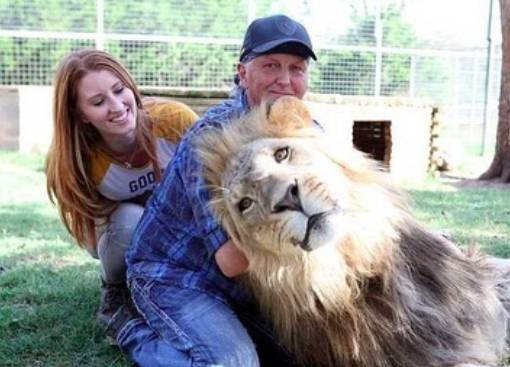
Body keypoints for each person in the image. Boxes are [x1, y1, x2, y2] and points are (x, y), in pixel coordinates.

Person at [123, 14, 317, 366]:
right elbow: (231, 261)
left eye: (297, 68)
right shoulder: (212, 139)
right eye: (271, 65)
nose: (285, 80)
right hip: (176, 276)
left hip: (249, 288)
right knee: (235, 363)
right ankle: (133, 333)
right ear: (243, 74)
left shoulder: (312, 132)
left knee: (316, 353)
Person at [45, 49, 198, 342]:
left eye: (119, 90)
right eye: (98, 102)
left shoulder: (174, 120)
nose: (116, 106)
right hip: (122, 227)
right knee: (130, 219)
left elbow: (213, 186)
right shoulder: (75, 158)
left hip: (181, 221)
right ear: (81, 114)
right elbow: (89, 235)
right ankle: (115, 291)